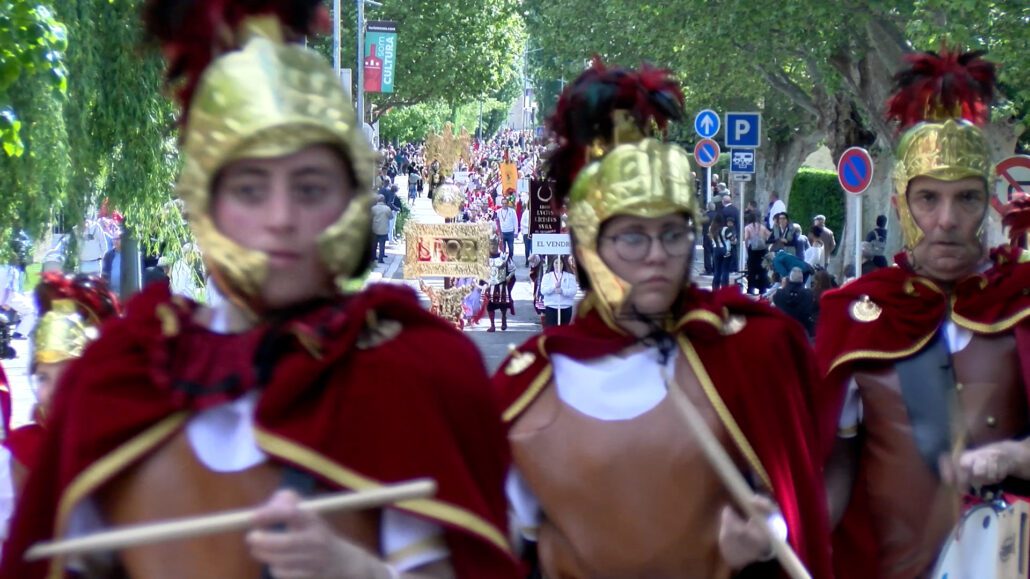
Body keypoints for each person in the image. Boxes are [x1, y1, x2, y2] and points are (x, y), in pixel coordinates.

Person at [0, 3, 520, 577]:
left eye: (310, 185)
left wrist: (353, 570)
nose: (280, 218)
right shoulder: (120, 378)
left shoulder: (413, 374)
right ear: (206, 203)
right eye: (250, 189)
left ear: (347, 200)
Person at [494, 60, 832, 579]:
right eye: (632, 236)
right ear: (587, 249)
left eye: (672, 234)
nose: (657, 255)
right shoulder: (529, 387)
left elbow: (796, 519)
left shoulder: (750, 353)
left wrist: (765, 541)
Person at [816, 49, 1030, 579]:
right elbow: (833, 463)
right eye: (928, 199)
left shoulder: (1022, 303)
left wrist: (1011, 458)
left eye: (967, 199)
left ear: (989, 204)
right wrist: (792, 537)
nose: (947, 220)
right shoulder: (856, 314)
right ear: (899, 204)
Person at [4, 274, 120, 496]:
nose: (53, 391)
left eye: (69, 375)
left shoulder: (133, 450)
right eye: (44, 377)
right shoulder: (18, 456)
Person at [772, 267, 815, 337]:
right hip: (802, 331)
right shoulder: (808, 294)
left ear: (789, 278)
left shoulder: (779, 294)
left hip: (783, 331)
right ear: (802, 279)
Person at [540, 255, 577, 326]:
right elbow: (543, 291)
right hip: (551, 306)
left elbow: (573, 291)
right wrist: (554, 287)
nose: (558, 265)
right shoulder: (547, 276)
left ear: (563, 264)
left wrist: (563, 291)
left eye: (560, 263)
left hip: (566, 306)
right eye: (556, 263)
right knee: (552, 330)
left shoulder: (570, 276)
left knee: (563, 331)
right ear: (553, 264)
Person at [743, 211, 770, 295]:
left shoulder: (748, 227)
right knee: (762, 270)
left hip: (753, 251)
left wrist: (747, 250)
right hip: (762, 250)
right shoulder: (762, 227)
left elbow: (746, 239)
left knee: (751, 271)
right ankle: (762, 289)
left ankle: (750, 289)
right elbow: (769, 236)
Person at [709, 213, 731, 290]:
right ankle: (725, 288)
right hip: (725, 249)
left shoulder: (711, 228)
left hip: (715, 249)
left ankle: (715, 288)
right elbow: (731, 238)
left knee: (717, 271)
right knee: (725, 270)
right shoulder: (725, 229)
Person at [370, 194, 392, 264]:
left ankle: (373, 257)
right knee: (382, 245)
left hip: (375, 228)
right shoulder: (387, 208)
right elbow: (391, 217)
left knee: (374, 244)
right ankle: (380, 258)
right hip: (384, 229)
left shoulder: (373, 208)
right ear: (384, 200)